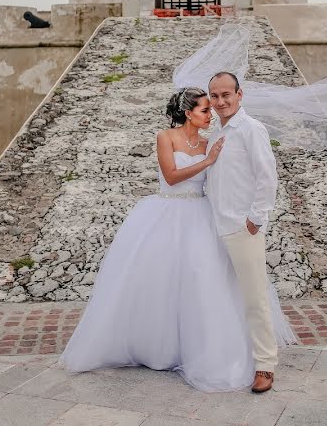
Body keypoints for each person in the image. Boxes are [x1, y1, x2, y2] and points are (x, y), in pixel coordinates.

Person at [59, 87, 296, 393]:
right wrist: (208, 161)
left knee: (202, 282)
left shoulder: (213, 140)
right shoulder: (166, 137)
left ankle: (205, 349)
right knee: (161, 282)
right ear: (188, 113)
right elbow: (170, 176)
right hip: (166, 213)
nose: (211, 114)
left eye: (211, 109)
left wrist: (246, 209)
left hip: (202, 215)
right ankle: (158, 347)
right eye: (204, 110)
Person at [207, 71, 280, 393]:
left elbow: (267, 176)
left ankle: (266, 365)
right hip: (214, 224)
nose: (220, 101)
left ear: (240, 94)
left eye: (226, 94)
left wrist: (256, 218)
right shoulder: (214, 133)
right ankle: (232, 352)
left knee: (254, 297)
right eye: (214, 96)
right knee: (222, 294)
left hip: (241, 225)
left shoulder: (251, 129)